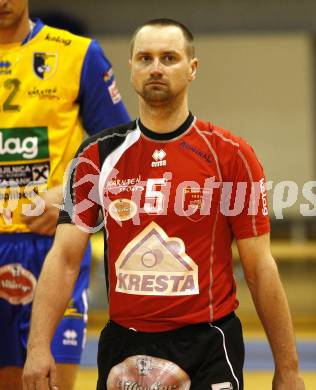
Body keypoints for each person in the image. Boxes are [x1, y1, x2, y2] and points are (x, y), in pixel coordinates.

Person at [23, 18, 305, 390]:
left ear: (192, 68)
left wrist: (287, 368)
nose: (156, 68)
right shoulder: (97, 155)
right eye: (145, 58)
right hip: (124, 344)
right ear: (131, 68)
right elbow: (64, 259)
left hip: (209, 345)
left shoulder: (231, 155)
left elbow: (260, 269)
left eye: (169, 58)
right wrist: (38, 347)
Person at [0, 0, 130, 389]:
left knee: (49, 381)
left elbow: (123, 149)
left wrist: (73, 193)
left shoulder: (77, 54)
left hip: (53, 249)